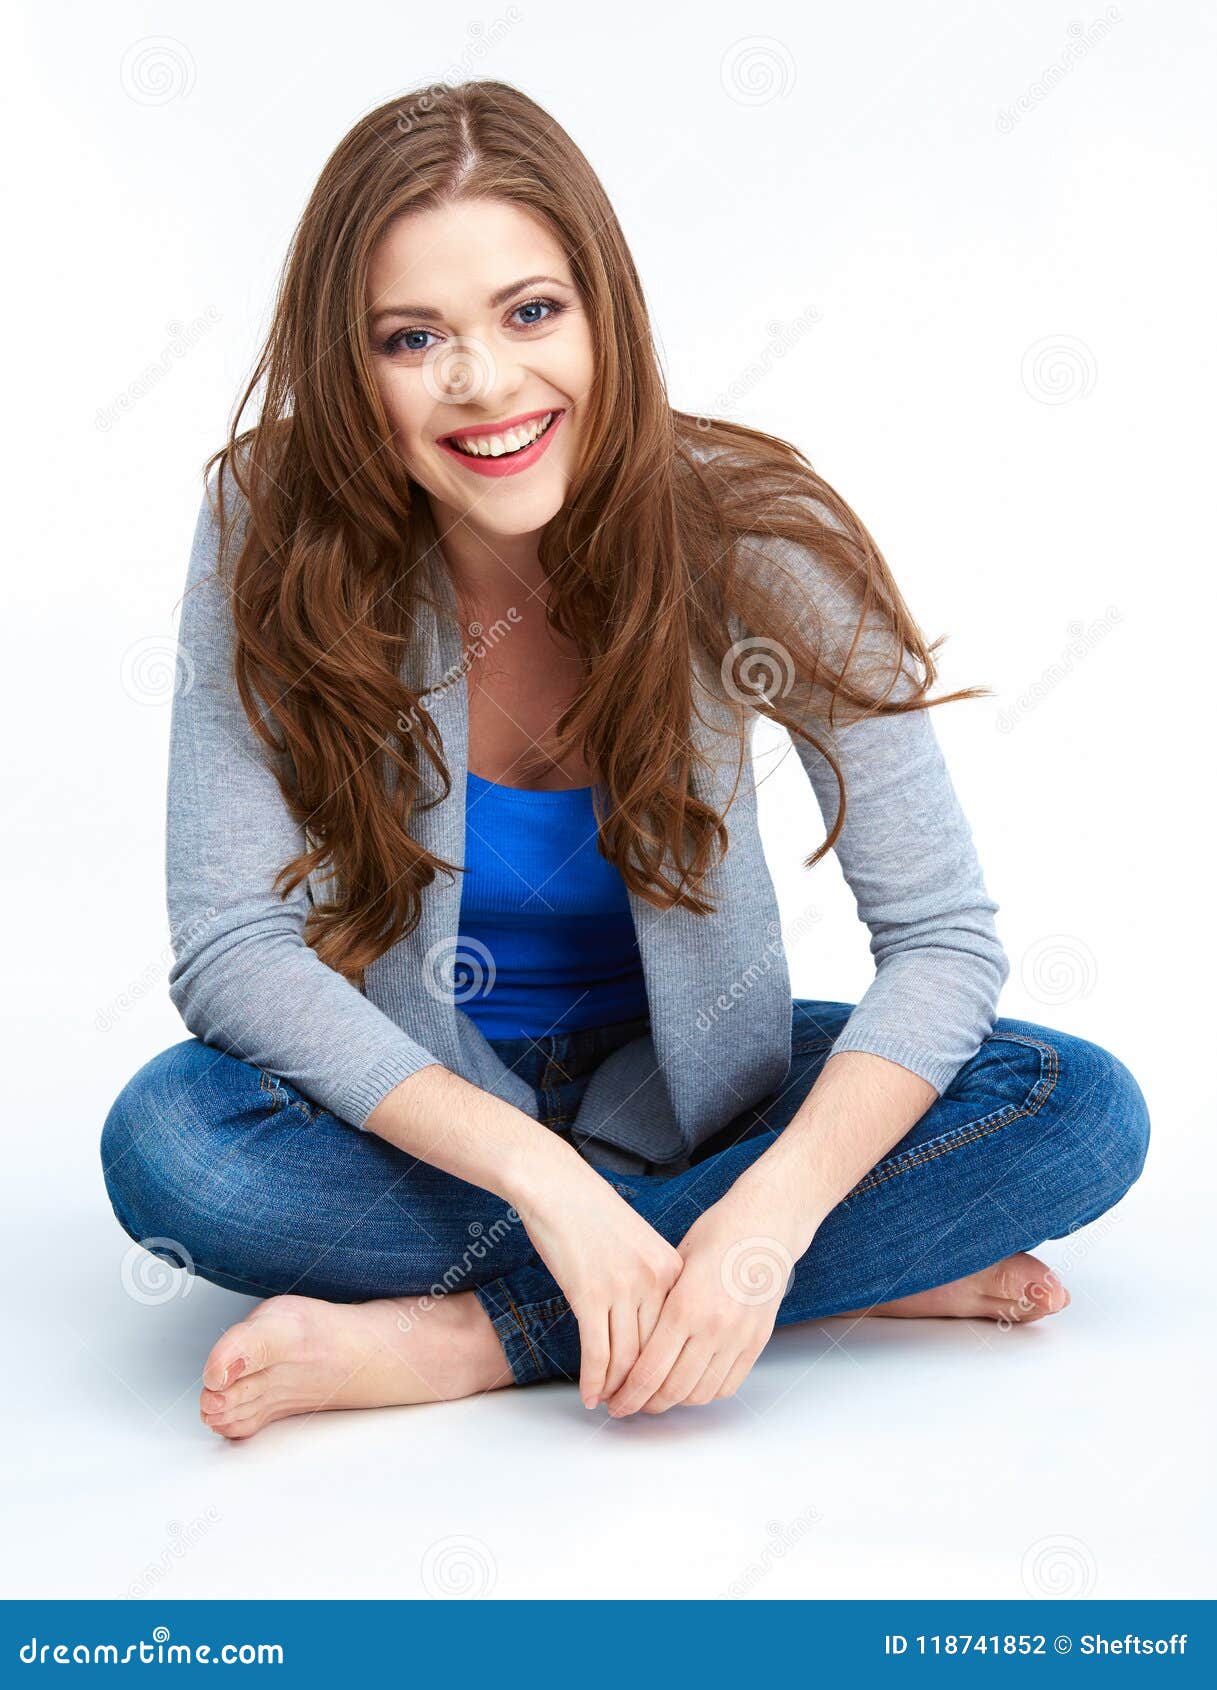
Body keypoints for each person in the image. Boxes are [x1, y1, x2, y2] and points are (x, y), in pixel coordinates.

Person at [100, 80, 1150, 1442]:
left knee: (1073, 1108)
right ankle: (815, 1275)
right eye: (412, 338)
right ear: (347, 366)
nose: (485, 382)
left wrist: (771, 1211)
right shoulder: (266, 521)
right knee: (175, 1149)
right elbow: (234, 945)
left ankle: (475, 1338)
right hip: (421, 1096)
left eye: (531, 311)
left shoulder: (755, 534)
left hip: (698, 1089)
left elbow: (941, 939)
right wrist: (548, 1183)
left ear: (604, 308)